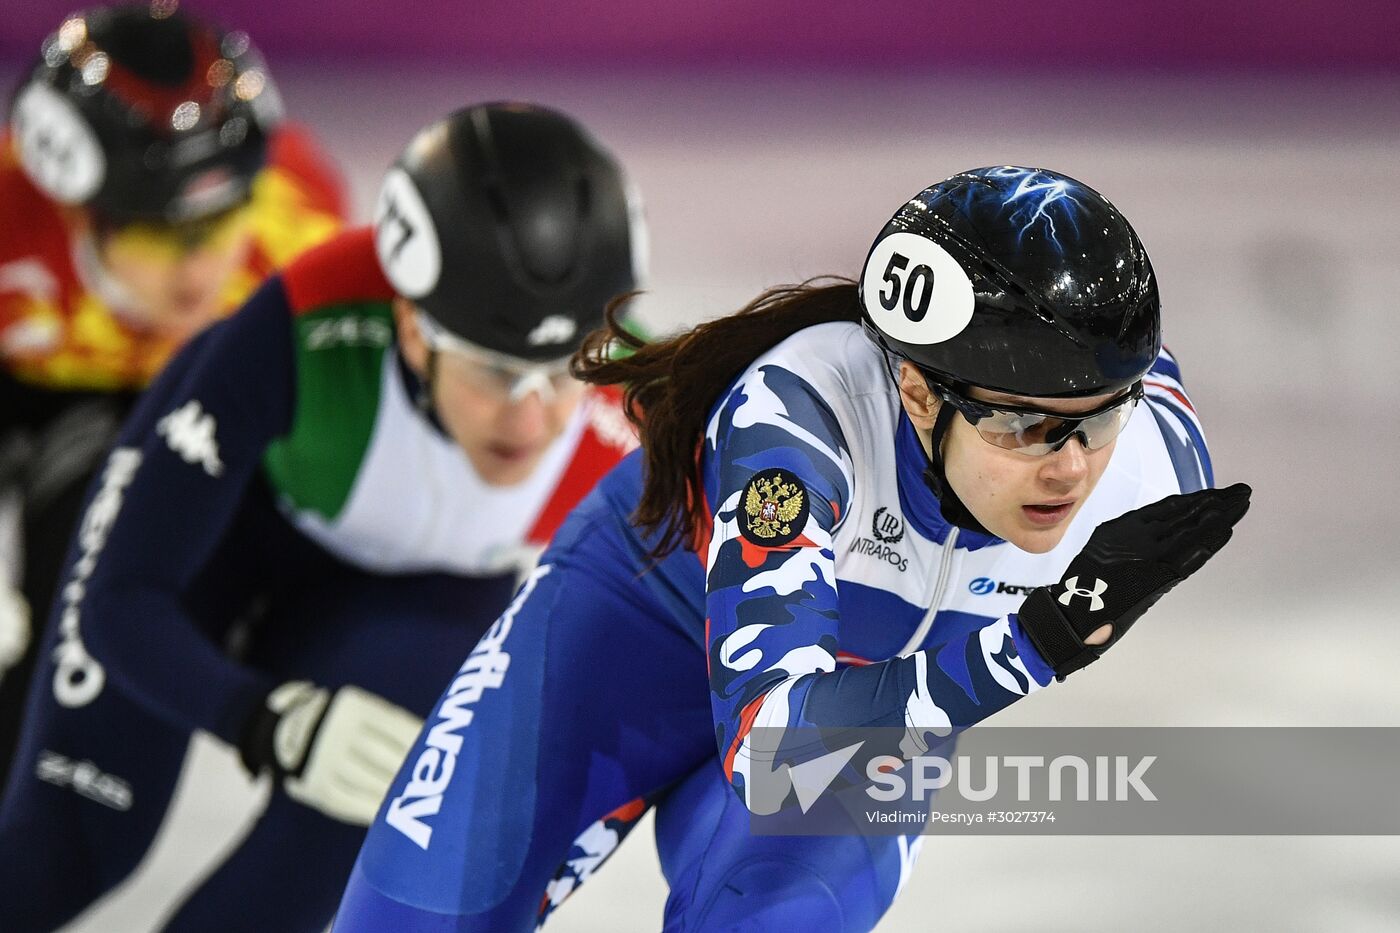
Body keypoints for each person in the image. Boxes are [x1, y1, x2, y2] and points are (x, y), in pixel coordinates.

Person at [333, 165, 1252, 931]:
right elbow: (772, 741)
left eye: (1100, 420)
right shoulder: (803, 416)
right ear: (918, 393)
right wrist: (1030, 646)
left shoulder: (1155, 471)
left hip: (863, 705)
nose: (1072, 467)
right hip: (634, 633)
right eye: (1022, 425)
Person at [0, 101, 643, 932]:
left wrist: (820, 784)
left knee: (341, 823)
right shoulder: (300, 326)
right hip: (216, 553)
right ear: (413, 331)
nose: (531, 416)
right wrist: (270, 720)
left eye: (566, 371)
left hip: (413, 608)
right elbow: (120, 602)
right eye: (493, 370)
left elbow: (758, 653)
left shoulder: (646, 418)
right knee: (66, 852)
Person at [0, 2, 345, 788]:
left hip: (188, 388)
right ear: (78, 211)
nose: (198, 268)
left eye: (221, 223)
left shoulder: (299, 226)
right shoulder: (12, 223)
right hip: (30, 387)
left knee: (79, 602)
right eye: (160, 233)